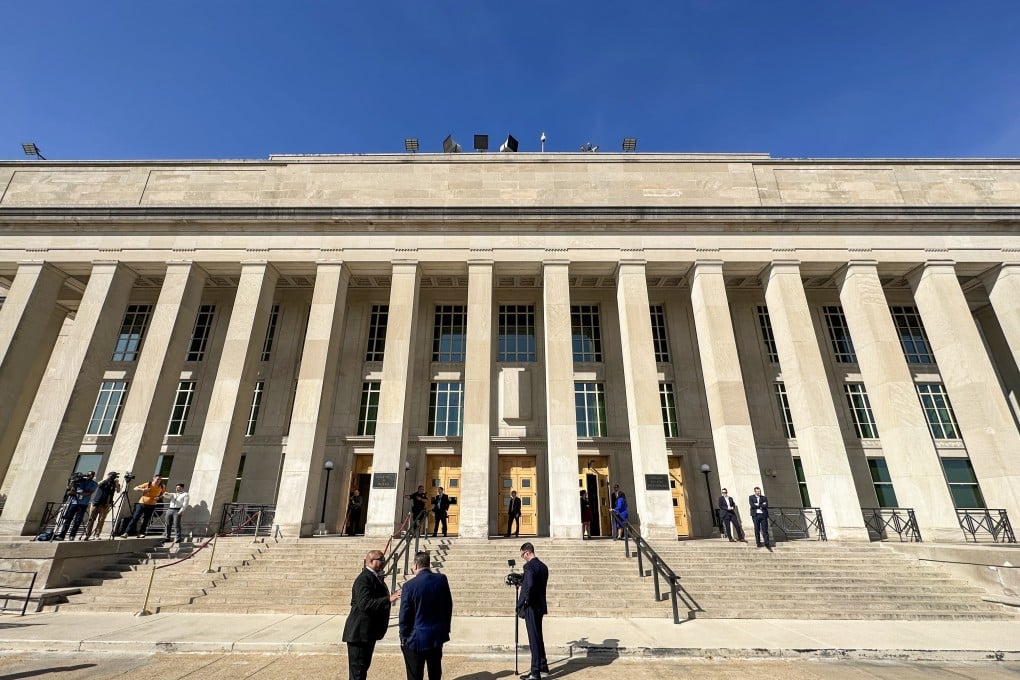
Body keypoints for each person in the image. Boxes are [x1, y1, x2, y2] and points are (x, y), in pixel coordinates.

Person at [342, 549, 401, 680]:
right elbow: (364, 604)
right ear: (370, 561)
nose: (384, 562)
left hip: (368, 632)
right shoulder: (364, 578)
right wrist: (388, 599)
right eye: (381, 559)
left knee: (362, 669)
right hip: (359, 633)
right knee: (358, 671)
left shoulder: (375, 577)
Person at [399, 551, 453, 680]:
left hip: (416, 637)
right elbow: (448, 605)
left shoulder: (409, 586)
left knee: (415, 674)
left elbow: (405, 614)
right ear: (428, 564)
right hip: (437, 635)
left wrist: (403, 635)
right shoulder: (441, 579)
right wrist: (445, 628)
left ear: (416, 565)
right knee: (435, 672)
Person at [516, 542, 549, 680]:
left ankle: (535, 672)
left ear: (527, 553)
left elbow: (529, 586)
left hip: (531, 606)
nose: (523, 557)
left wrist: (522, 603)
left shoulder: (529, 566)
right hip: (540, 605)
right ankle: (543, 666)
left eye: (523, 555)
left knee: (533, 639)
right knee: (538, 636)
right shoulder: (543, 566)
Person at [55, 471, 97, 540]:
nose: (88, 476)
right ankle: (62, 535)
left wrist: (77, 492)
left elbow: (89, 493)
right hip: (73, 502)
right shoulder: (79, 481)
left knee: (77, 520)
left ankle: (72, 535)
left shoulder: (94, 483)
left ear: (93, 476)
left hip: (83, 503)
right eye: (88, 474)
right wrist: (72, 481)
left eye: (90, 475)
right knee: (68, 519)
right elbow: (69, 489)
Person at [85, 471, 121, 540]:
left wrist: (116, 483)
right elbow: (97, 485)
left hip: (106, 504)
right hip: (96, 502)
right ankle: (87, 534)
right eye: (112, 476)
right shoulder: (104, 482)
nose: (113, 477)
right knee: (91, 519)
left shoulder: (114, 483)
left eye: (114, 476)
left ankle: (97, 534)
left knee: (101, 520)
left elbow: (118, 491)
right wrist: (105, 479)